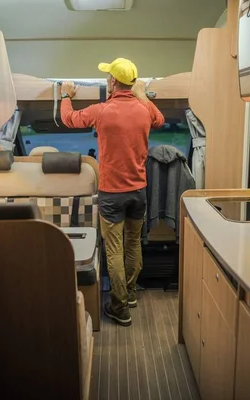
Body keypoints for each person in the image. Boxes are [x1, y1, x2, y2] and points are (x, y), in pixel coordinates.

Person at [61, 58, 165, 326]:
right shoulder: (145, 110)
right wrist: (142, 95)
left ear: (113, 82)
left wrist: (65, 95)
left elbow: (69, 119)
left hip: (111, 194)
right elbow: (160, 119)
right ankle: (129, 294)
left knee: (115, 251)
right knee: (133, 244)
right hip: (138, 192)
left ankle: (120, 308)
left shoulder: (101, 110)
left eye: (109, 76)